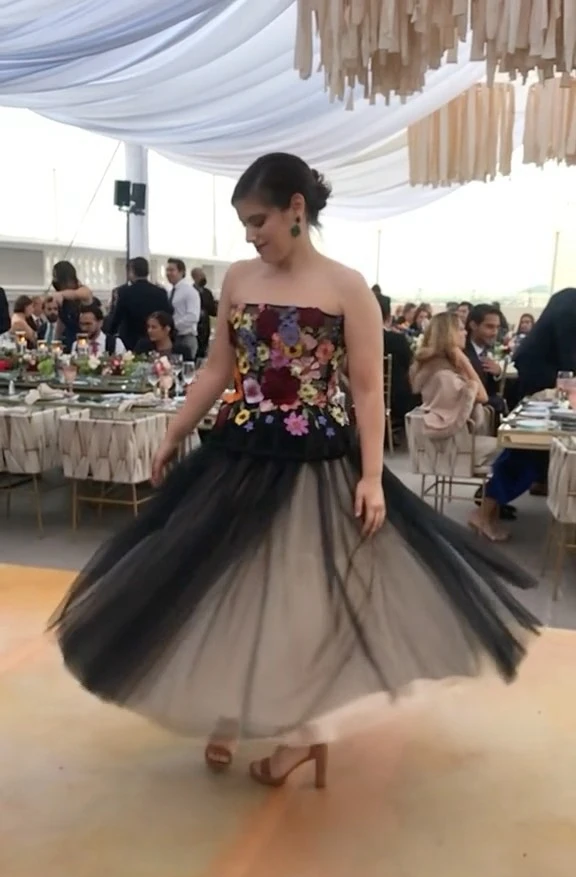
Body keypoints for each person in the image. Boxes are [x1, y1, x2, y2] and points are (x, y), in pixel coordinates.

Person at [51, 152, 539, 790]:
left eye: (259, 221)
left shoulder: (347, 287)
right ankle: (231, 709)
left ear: (296, 210)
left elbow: (369, 390)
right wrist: (174, 430)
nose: (251, 236)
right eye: (245, 225)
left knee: (302, 597)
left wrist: (372, 476)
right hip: (238, 451)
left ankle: (304, 737)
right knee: (224, 582)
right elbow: (219, 368)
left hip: (318, 462)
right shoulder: (238, 280)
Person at [513, 289, 576, 399]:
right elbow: (567, 350)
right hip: (539, 367)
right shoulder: (570, 304)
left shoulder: (568, 296)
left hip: (535, 362)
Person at [106, 257, 171, 351]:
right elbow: (167, 314)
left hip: (130, 339)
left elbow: (117, 317)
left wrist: (109, 333)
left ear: (132, 271)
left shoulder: (125, 292)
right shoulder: (160, 292)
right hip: (155, 339)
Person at [378, 293, 417, 429]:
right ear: (389, 317)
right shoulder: (398, 340)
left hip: (361, 398)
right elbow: (410, 366)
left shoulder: (356, 341)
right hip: (397, 400)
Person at [51, 261, 92, 352]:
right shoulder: (63, 299)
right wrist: (55, 341)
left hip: (86, 339)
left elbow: (83, 294)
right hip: (70, 340)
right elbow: (61, 322)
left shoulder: (82, 290)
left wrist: (61, 294)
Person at [166, 258, 200, 359]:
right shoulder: (170, 292)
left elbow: (193, 316)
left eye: (172, 270)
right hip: (173, 338)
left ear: (181, 272)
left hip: (186, 337)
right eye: (167, 270)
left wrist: (173, 325)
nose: (168, 273)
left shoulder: (190, 292)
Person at [192, 267, 218, 360]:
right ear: (194, 277)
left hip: (205, 327)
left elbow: (213, 311)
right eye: (201, 275)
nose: (203, 277)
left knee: (203, 353)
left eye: (204, 275)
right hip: (195, 327)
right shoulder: (190, 291)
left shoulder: (207, 292)